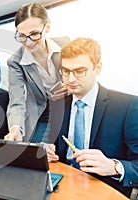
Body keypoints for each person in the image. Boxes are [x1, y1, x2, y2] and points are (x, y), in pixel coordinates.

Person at [47, 37, 138, 198]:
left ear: (98, 68)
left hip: (105, 189)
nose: (71, 79)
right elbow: (55, 148)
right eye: (66, 71)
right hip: (63, 186)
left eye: (80, 71)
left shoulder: (127, 105)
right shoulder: (58, 105)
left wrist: (114, 166)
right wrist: (46, 152)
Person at [4, 3, 69, 142]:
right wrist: (15, 128)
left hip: (69, 108)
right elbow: (17, 101)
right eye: (22, 36)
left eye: (34, 34)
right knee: (39, 155)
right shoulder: (15, 62)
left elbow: (83, 75)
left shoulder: (65, 45)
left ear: (48, 27)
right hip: (42, 114)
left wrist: (69, 86)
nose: (28, 42)